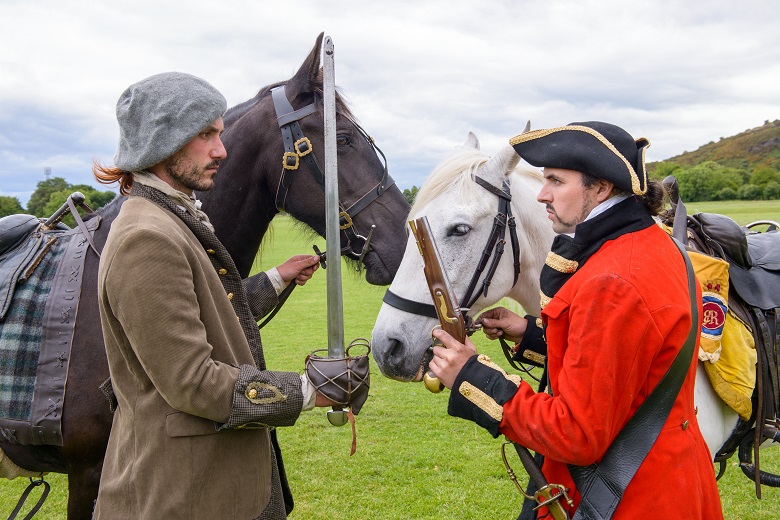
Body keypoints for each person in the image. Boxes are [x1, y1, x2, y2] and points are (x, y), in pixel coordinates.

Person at [428, 121, 724, 519]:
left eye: (555, 181)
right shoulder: (650, 242)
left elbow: (577, 434)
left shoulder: (612, 282)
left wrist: (474, 378)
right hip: (668, 476)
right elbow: (623, 363)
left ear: (600, 188)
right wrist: (529, 333)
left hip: (630, 496)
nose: (542, 194)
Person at [92, 72, 335, 519]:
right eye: (205, 135)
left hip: (214, 481)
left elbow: (210, 310)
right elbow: (193, 381)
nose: (221, 150)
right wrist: (308, 391)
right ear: (163, 142)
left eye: (219, 134)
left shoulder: (171, 218)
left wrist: (277, 278)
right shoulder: (146, 236)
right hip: (187, 493)